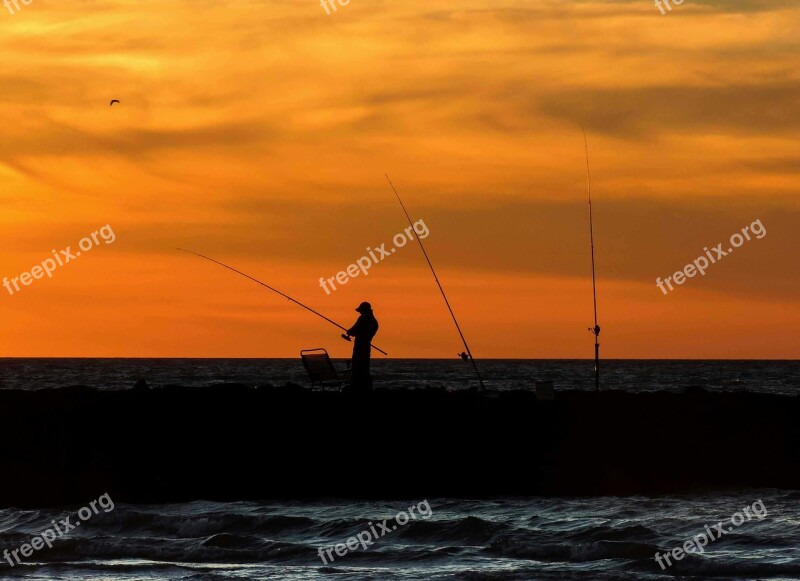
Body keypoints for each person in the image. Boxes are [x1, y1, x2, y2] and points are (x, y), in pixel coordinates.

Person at [344, 302, 379, 392]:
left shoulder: (363, 319)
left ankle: (357, 387)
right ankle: (364, 388)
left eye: (361, 311)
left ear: (364, 310)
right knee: (364, 367)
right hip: (366, 346)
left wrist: (349, 332)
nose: (360, 312)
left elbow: (355, 330)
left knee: (357, 366)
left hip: (359, 347)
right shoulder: (374, 322)